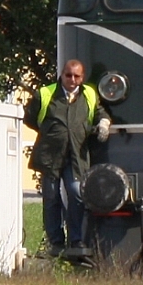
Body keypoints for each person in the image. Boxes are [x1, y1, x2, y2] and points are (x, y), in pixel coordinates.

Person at [23, 59, 111, 256]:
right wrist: (52, 133)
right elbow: (30, 119)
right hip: (51, 155)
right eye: (68, 75)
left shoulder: (89, 95)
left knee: (76, 193)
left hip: (76, 156)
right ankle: (56, 242)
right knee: (51, 197)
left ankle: (76, 240)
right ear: (62, 75)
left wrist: (104, 124)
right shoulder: (45, 94)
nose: (72, 80)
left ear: (82, 78)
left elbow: (100, 113)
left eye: (76, 76)